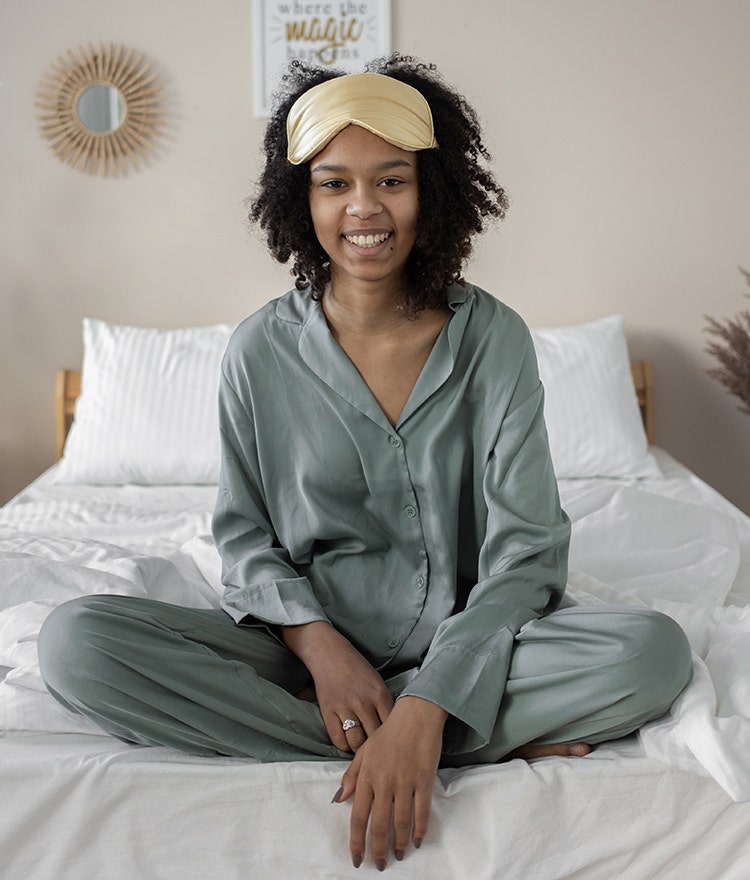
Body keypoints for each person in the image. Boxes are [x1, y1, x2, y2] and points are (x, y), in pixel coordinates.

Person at [38, 55, 693, 871]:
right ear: (299, 199)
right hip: (302, 657)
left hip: (471, 643)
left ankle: (406, 739)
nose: (363, 209)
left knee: (653, 653)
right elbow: (244, 538)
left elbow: (527, 552)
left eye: (391, 181)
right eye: (333, 183)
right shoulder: (256, 352)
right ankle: (461, 745)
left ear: (433, 191)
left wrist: (428, 701)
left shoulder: (496, 341)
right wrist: (323, 650)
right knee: (74, 644)